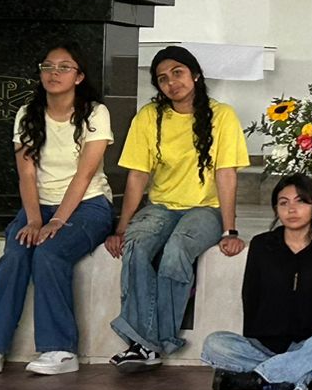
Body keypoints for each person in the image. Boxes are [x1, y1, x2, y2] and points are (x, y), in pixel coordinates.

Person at [104, 46, 250, 369]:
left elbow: (226, 176)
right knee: (137, 245)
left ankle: (148, 343)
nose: (172, 83)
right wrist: (121, 227)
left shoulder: (222, 115)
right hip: (161, 207)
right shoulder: (149, 117)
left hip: (205, 210)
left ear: (195, 74)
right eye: (162, 79)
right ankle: (147, 346)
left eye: (178, 73)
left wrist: (230, 230)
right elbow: (137, 177)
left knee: (176, 251)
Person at [0, 44, 115, 375]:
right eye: (48, 66)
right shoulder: (27, 113)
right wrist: (36, 219)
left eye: (65, 67)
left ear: (79, 76)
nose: (54, 73)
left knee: (50, 253)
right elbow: (26, 173)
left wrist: (57, 222)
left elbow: (84, 175)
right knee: (15, 254)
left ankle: (60, 351)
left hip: (87, 205)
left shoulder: (95, 113)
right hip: (39, 204)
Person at [202, 174, 312, 390]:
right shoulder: (262, 245)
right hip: (266, 346)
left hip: (311, 343)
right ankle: (302, 375)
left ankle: (257, 379)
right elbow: (251, 298)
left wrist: (309, 344)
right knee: (214, 344)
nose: (291, 209)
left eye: (300, 201)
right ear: (276, 209)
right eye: (284, 203)